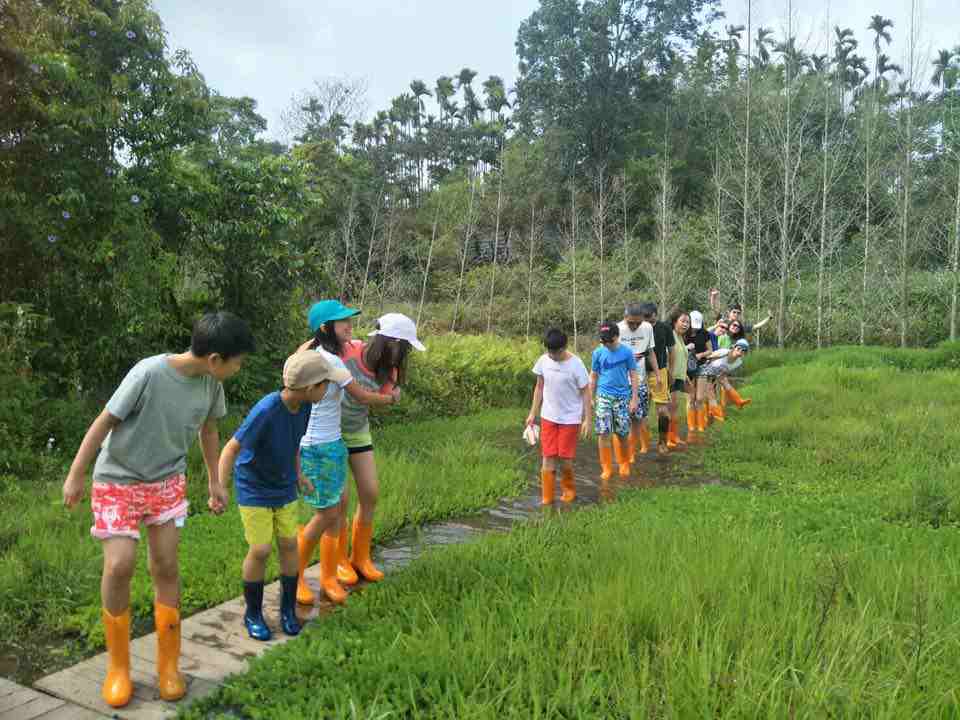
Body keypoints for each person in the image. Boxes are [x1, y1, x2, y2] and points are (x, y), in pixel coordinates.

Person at [62, 312, 254, 708]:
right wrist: (76, 475)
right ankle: (119, 669)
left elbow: (209, 430)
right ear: (216, 358)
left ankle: (169, 667)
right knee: (119, 565)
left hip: (166, 481)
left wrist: (215, 481)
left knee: (166, 565)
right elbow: (104, 422)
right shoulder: (148, 373)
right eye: (238, 361)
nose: (239, 367)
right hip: (118, 479)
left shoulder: (210, 385)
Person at [216, 351, 349, 641]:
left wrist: (299, 474)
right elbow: (231, 448)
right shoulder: (266, 410)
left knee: (289, 544)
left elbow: (294, 444)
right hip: (254, 487)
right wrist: (220, 486)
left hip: (285, 485)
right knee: (261, 550)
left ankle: (287, 611)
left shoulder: (304, 407)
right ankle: (253, 613)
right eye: (325, 384)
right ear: (309, 388)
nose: (329, 389)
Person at [296, 300, 400, 607]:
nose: (350, 326)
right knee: (327, 512)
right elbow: (361, 395)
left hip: (334, 444)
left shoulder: (332, 357)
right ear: (326, 327)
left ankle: (328, 577)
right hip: (315, 444)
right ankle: (298, 576)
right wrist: (391, 400)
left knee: (333, 509)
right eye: (343, 322)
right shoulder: (322, 360)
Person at [334, 312, 425, 585]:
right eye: (404, 347)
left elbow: (382, 398)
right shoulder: (348, 352)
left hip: (358, 432)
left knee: (370, 494)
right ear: (390, 342)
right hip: (331, 432)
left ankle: (360, 557)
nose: (404, 353)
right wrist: (388, 400)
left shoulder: (391, 370)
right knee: (340, 499)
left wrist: (392, 396)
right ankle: (339, 560)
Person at [526, 328, 591, 504]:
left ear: (565, 347)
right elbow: (539, 387)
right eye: (549, 351)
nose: (552, 355)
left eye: (556, 352)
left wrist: (587, 419)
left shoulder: (576, 365)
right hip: (548, 416)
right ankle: (547, 499)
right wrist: (533, 413)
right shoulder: (543, 360)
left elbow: (586, 392)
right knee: (547, 456)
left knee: (565, 459)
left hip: (570, 419)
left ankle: (568, 493)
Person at [590, 320, 639, 480]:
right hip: (603, 396)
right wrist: (591, 397)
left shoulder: (627, 352)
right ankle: (606, 467)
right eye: (603, 341)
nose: (607, 344)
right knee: (603, 432)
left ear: (617, 337)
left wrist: (634, 398)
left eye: (610, 341)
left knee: (622, 433)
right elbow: (594, 375)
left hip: (622, 397)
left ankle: (623, 463)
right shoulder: (598, 353)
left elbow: (633, 375)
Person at [617, 303, 655, 460]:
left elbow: (651, 352)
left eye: (637, 323)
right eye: (630, 322)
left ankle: (631, 453)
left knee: (637, 418)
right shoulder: (617, 329)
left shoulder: (647, 328)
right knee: (621, 418)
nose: (634, 326)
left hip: (639, 379)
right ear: (625, 317)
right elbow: (606, 354)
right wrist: (626, 358)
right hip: (620, 380)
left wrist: (658, 374)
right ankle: (621, 454)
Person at [643, 303, 674, 456]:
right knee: (641, 411)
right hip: (640, 371)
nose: (647, 321)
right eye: (645, 318)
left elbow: (671, 350)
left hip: (660, 371)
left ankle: (662, 441)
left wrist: (671, 371)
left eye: (650, 318)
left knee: (662, 411)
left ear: (656, 314)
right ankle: (644, 442)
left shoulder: (665, 328)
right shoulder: (639, 327)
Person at [702, 339, 753, 409]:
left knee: (724, 382)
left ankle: (738, 401)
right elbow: (708, 358)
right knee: (704, 395)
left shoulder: (738, 362)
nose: (740, 351)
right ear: (734, 347)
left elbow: (724, 373)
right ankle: (712, 411)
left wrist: (718, 379)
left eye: (744, 350)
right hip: (704, 370)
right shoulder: (724, 352)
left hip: (714, 375)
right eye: (739, 348)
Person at [686, 310, 713, 433]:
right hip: (688, 368)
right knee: (691, 398)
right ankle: (691, 426)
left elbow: (710, 351)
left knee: (700, 398)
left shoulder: (705, 333)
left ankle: (701, 425)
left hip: (702, 366)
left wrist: (701, 355)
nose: (695, 329)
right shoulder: (683, 334)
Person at [667, 309, 690, 449]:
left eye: (687, 322)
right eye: (682, 321)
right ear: (675, 321)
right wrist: (669, 373)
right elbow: (668, 356)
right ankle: (668, 438)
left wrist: (686, 376)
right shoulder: (671, 336)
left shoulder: (681, 338)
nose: (685, 324)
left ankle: (674, 436)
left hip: (680, 376)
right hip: (671, 376)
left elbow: (682, 359)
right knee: (670, 408)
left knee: (675, 408)